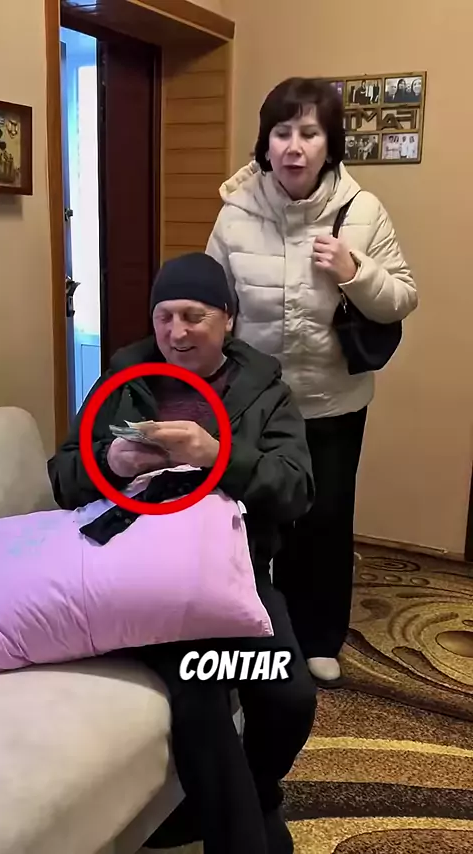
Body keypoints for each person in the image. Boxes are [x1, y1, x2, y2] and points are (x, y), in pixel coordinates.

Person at [48, 252, 317, 854]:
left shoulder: (266, 391)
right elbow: (63, 476)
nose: (176, 333)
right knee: (200, 694)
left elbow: (296, 489)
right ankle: (243, 831)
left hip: (234, 572)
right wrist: (107, 462)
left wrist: (216, 455)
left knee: (289, 695)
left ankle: (255, 792)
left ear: (228, 318)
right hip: (138, 575)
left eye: (194, 316)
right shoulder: (122, 380)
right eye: (164, 317)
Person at [206, 77, 418, 687]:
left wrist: (355, 271)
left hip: (334, 402)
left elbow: (402, 298)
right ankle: (252, 627)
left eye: (309, 132)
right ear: (265, 142)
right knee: (253, 514)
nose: (294, 146)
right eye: (282, 132)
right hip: (256, 404)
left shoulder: (363, 211)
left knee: (324, 519)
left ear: (330, 144)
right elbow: (215, 301)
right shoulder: (235, 214)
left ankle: (319, 635)